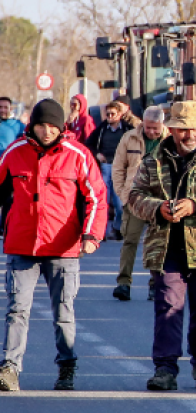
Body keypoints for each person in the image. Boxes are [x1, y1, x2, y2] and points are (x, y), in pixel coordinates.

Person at [126, 101, 196, 392]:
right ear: (172, 130)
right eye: (182, 129)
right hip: (166, 247)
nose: (189, 135)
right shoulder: (153, 159)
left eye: (193, 129)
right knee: (168, 307)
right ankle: (165, 369)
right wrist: (158, 208)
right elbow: (135, 196)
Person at [0, 99, 107, 392]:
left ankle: (66, 367)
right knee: (17, 310)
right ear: (32, 126)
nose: (46, 132)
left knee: (63, 312)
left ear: (60, 127)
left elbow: (96, 197)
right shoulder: (14, 153)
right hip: (22, 246)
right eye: (41, 126)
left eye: (52, 126)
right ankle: (9, 368)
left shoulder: (77, 155)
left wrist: (91, 235)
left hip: (63, 247)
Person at [112, 107, 167, 301]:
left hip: (160, 201)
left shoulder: (171, 140)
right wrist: (123, 195)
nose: (151, 132)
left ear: (162, 125)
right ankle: (123, 283)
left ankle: (155, 284)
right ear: (143, 123)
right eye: (148, 127)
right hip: (134, 199)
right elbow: (118, 168)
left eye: (155, 129)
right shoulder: (129, 138)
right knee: (130, 241)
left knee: (158, 243)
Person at [87, 101, 137, 241]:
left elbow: (137, 145)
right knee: (102, 201)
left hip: (120, 168)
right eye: (107, 114)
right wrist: (97, 154)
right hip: (106, 166)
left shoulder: (127, 129)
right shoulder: (102, 129)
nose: (109, 116)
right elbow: (89, 144)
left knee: (119, 203)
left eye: (112, 114)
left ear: (120, 114)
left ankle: (118, 228)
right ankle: (101, 232)